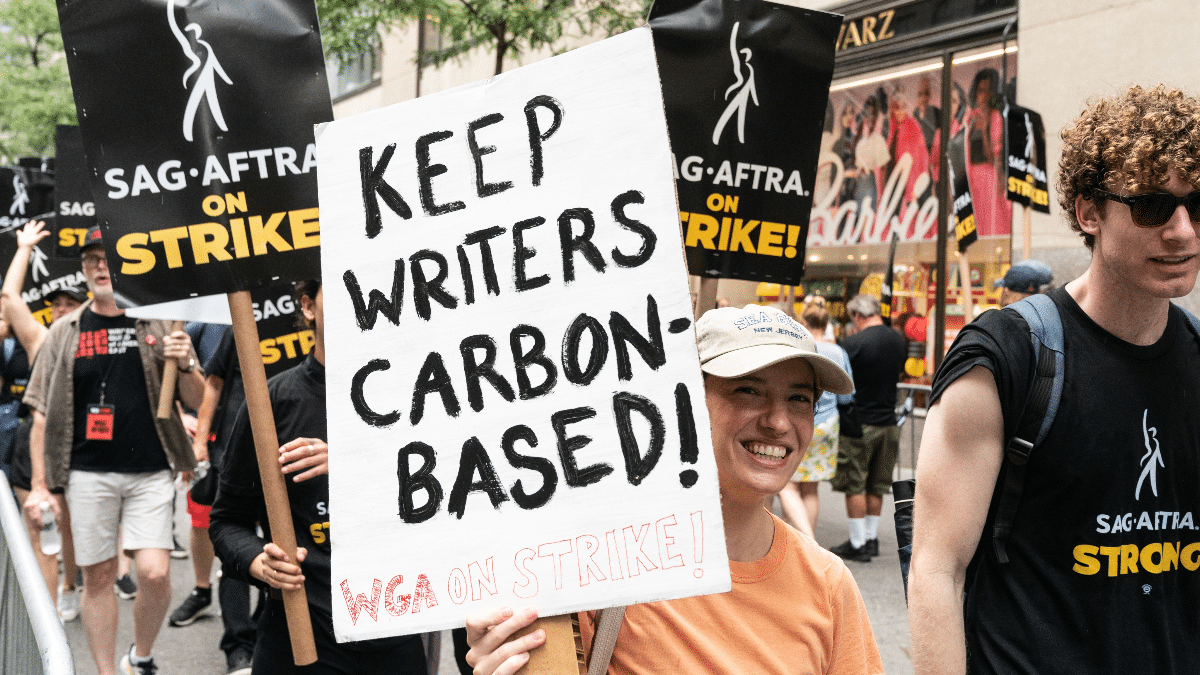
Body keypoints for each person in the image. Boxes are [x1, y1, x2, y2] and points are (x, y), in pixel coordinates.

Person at [909, 84, 1200, 674]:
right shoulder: (1008, 358)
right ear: (1089, 212)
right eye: (1151, 207)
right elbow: (937, 568)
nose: (1183, 231)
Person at [465, 304, 883, 675]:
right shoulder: (596, 564)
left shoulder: (829, 586)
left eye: (798, 399)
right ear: (683, 398)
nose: (778, 421)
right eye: (748, 390)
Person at [209, 280, 428, 674]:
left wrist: (355, 461)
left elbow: (453, 490)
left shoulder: (416, 394)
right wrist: (258, 561)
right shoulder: (270, 403)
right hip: (299, 633)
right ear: (308, 306)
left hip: (395, 631)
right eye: (339, 292)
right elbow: (227, 521)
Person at [21, 224, 204, 675]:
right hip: (87, 473)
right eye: (91, 260)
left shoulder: (160, 321)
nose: (100, 267)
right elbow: (41, 415)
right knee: (99, 576)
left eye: (108, 258)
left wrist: (183, 361)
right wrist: (42, 486)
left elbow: (198, 399)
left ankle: (140, 655)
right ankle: (106, 671)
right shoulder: (64, 330)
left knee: (156, 573)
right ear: (83, 268)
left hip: (151, 470)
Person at [1, 219, 86, 621]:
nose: (62, 311)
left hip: (78, 445)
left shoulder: (93, 339)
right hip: (31, 446)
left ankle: (70, 584)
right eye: (57, 305)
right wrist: (24, 248)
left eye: (71, 305)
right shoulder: (40, 340)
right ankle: (47, 615)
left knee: (67, 528)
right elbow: (10, 297)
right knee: (42, 528)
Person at [829, 294, 906, 563]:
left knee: (855, 485)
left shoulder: (852, 343)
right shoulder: (898, 338)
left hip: (860, 423)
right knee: (877, 485)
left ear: (857, 316)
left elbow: (841, 380)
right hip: (889, 422)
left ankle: (858, 543)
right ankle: (871, 539)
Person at [779, 304, 855, 537]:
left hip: (802, 421)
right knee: (811, 489)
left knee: (787, 484)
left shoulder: (803, 348)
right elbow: (848, 394)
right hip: (829, 424)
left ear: (805, 324)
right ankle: (806, 542)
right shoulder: (838, 352)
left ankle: (805, 538)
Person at [965, 68, 1012, 237]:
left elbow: (993, 157)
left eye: (987, 91)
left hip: (988, 176)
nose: (983, 96)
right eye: (980, 91)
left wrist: (984, 129)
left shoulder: (995, 117)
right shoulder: (970, 117)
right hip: (971, 178)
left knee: (991, 220)